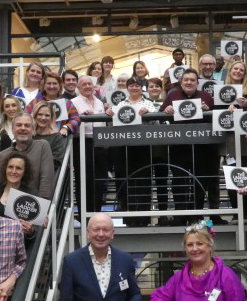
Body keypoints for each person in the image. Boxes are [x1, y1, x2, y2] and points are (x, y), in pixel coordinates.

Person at [163, 68, 219, 218]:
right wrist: (166, 110)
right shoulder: (172, 95)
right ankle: (180, 215)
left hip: (202, 149)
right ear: (181, 82)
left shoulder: (206, 96)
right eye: (186, 80)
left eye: (192, 80)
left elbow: (217, 120)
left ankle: (197, 214)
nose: (189, 82)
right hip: (178, 148)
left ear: (197, 83)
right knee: (178, 181)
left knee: (199, 181)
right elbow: (160, 117)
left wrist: (208, 112)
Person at [109, 76, 159, 224]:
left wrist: (149, 115)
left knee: (144, 182)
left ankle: (143, 218)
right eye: (131, 85)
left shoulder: (149, 104)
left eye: (137, 85)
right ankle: (128, 218)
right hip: (124, 149)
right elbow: (112, 124)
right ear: (127, 87)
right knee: (125, 181)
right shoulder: (120, 104)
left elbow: (157, 123)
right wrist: (110, 114)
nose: (134, 87)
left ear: (141, 87)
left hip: (143, 149)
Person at [0, 111, 56, 199]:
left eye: (27, 125)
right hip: (6, 206)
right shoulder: (3, 155)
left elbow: (46, 181)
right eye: (19, 125)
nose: (23, 128)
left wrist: (41, 207)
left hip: (34, 206)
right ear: (12, 129)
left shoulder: (42, 147)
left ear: (33, 130)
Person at [70, 74, 108, 212]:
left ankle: (97, 212)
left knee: (99, 180)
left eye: (89, 84)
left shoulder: (99, 102)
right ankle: (84, 214)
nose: (87, 86)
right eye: (84, 84)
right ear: (78, 87)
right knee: (84, 180)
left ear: (93, 86)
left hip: (99, 143)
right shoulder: (73, 102)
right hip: (82, 143)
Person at [0, 150, 39, 243]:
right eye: (10, 167)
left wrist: (30, 231)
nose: (13, 171)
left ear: (24, 172)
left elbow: (35, 232)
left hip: (18, 246)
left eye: (18, 168)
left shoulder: (31, 195)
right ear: (5, 169)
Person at [33, 71, 81, 137]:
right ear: (44, 86)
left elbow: (76, 119)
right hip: (37, 139)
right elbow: (25, 116)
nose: (52, 86)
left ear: (60, 86)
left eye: (55, 83)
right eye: (49, 83)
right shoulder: (35, 102)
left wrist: (66, 127)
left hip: (59, 140)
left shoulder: (66, 103)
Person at [31, 100, 65, 169]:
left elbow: (56, 161)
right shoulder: (29, 135)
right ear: (35, 116)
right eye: (40, 114)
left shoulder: (57, 137)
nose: (43, 118)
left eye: (47, 115)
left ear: (51, 118)